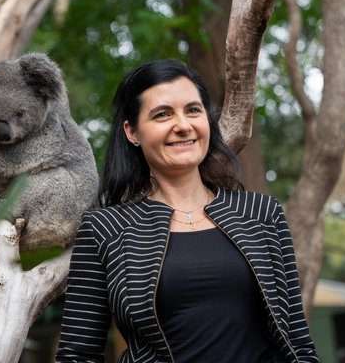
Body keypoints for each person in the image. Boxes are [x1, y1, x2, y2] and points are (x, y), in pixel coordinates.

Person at [56, 59, 319, 362]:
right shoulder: (105, 229)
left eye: (193, 110)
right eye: (162, 114)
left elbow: (297, 341)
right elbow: (77, 354)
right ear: (132, 132)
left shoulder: (262, 214)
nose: (183, 125)